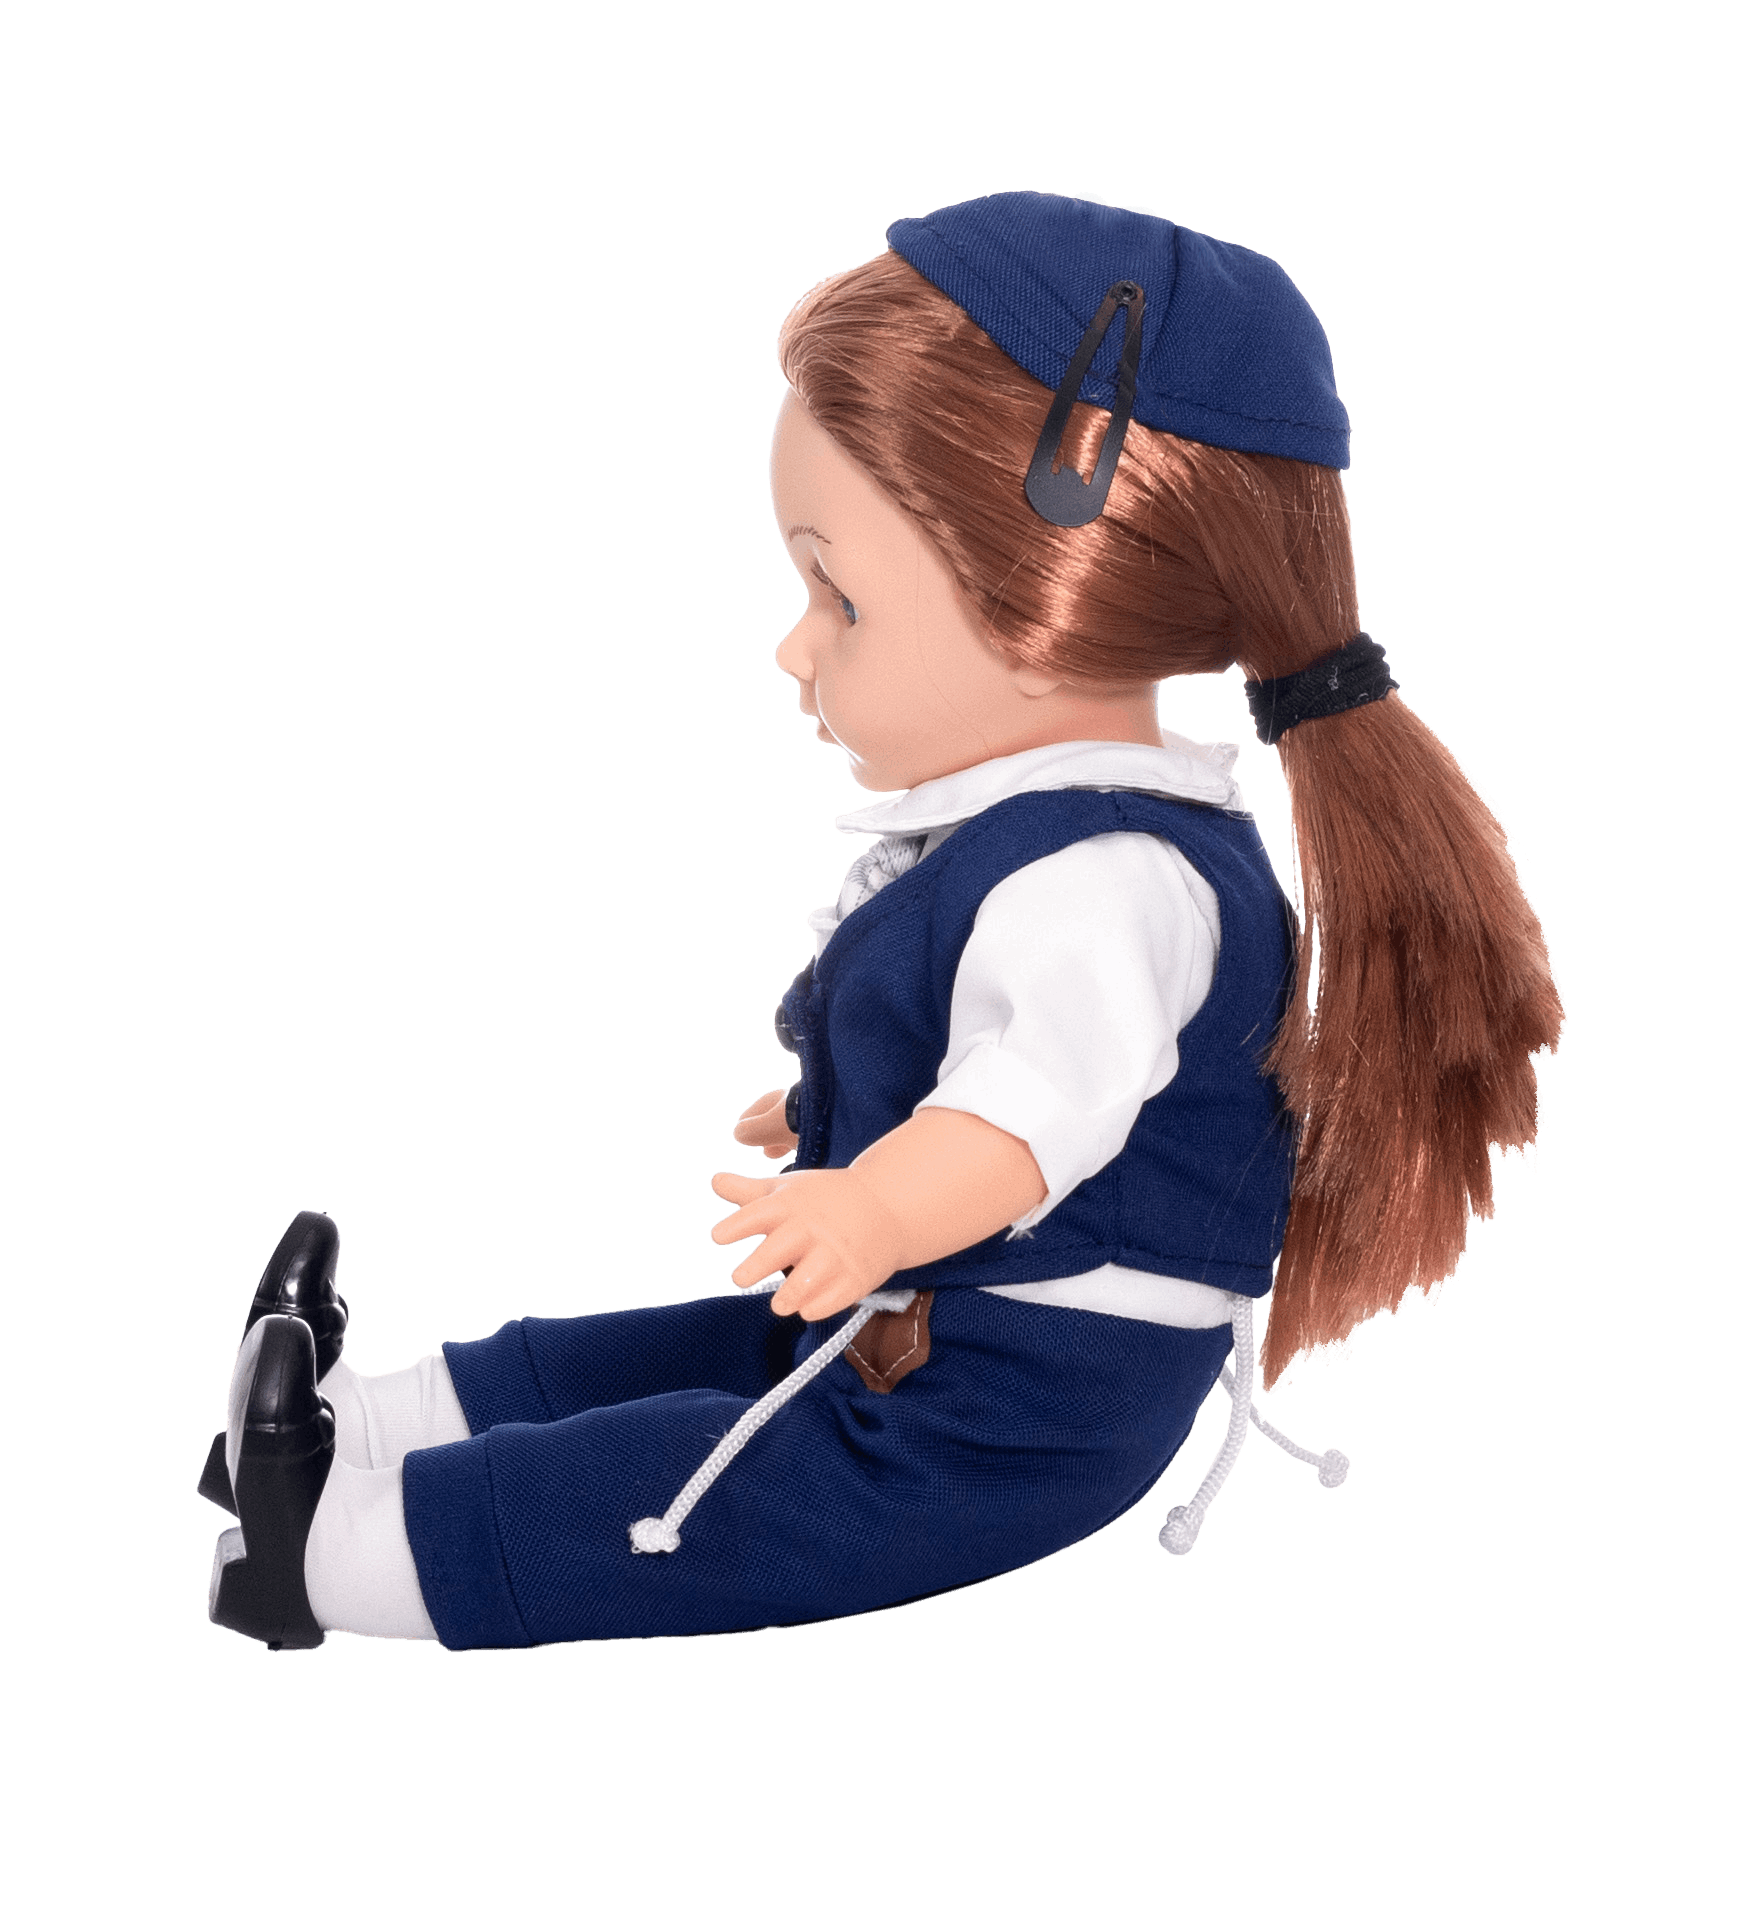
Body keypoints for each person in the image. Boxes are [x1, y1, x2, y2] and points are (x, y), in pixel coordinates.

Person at [203, 189, 1566, 1651]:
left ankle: (339, 1556)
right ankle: (355, 1429)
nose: (794, 647)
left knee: (730, 1490)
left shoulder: (1109, 878)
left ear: (1045, 598)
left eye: (836, 597)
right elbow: (988, 1066)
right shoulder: (1041, 839)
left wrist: (881, 1206)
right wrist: (847, 1116)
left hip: (1027, 1403)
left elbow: (1029, 1121)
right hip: (950, 1313)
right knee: (678, 1355)